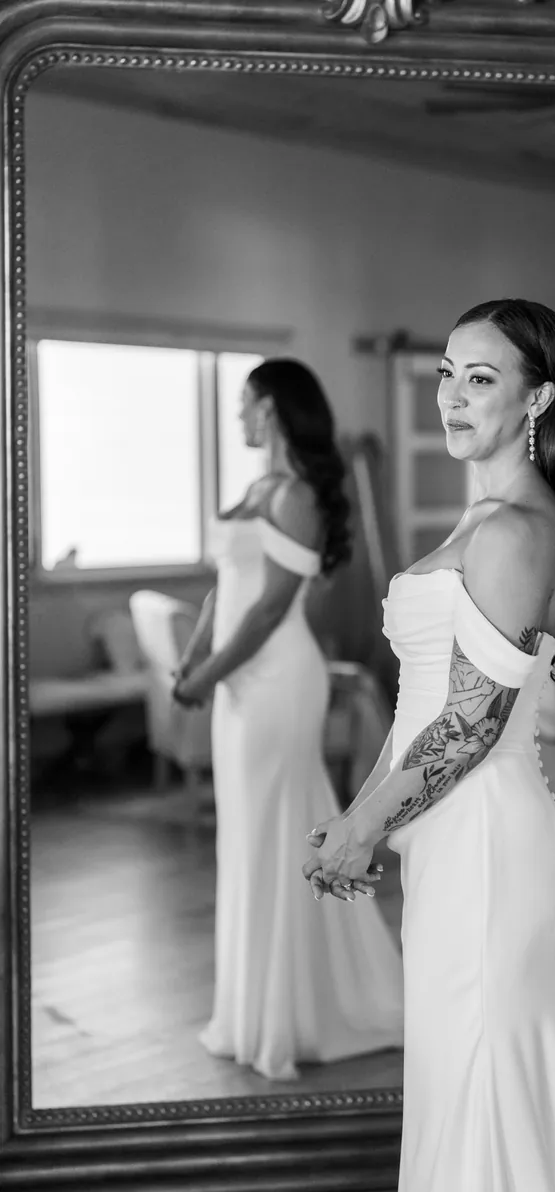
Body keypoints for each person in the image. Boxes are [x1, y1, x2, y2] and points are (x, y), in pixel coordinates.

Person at [303, 301, 555, 1192]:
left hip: (490, 843)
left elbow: (471, 722)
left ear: (538, 399)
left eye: (482, 378)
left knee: (483, 1068)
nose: (453, 398)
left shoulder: (514, 531)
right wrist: (361, 816)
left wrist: (366, 828)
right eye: (447, 375)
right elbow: (422, 706)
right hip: (451, 834)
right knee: (467, 1067)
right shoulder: (490, 518)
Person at [174, 358, 403, 1081]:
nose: (238, 417)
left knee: (278, 832)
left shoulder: (299, 493)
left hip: (277, 682)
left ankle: (297, 1014)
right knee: (247, 837)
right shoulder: (257, 489)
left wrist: (210, 674)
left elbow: (272, 607)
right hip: (238, 685)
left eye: (245, 405)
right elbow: (227, 589)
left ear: (271, 407)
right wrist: (194, 655)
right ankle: (253, 1009)